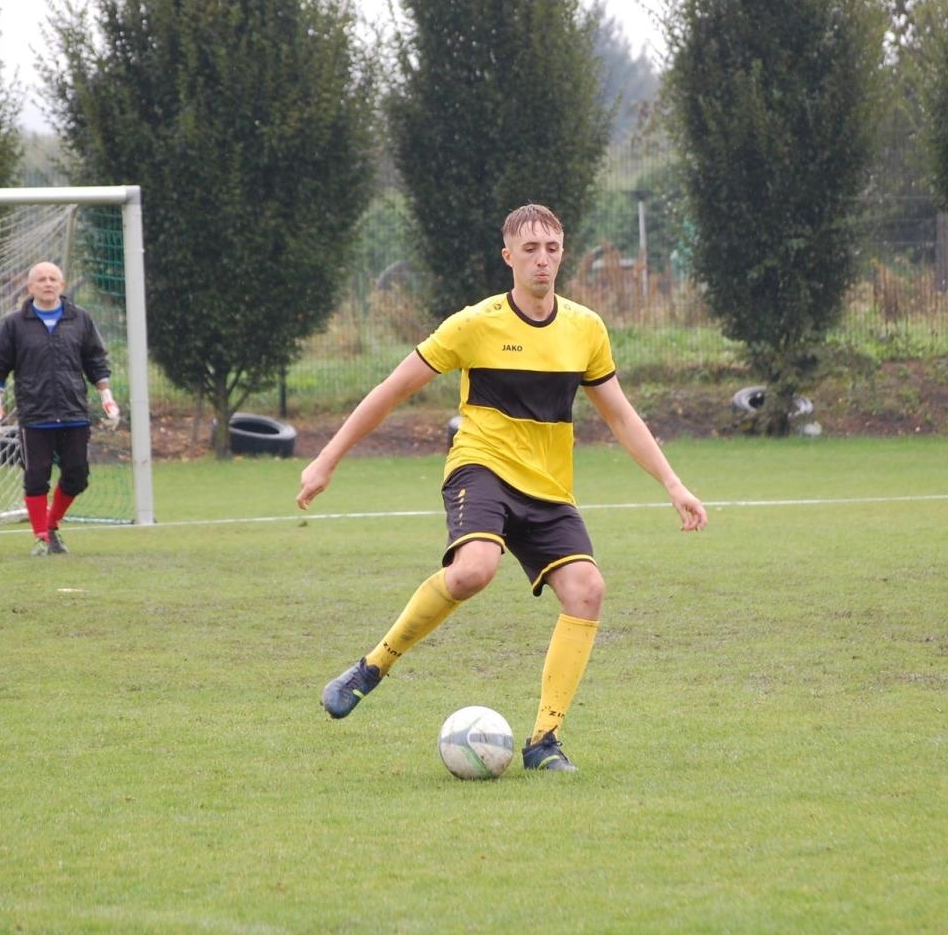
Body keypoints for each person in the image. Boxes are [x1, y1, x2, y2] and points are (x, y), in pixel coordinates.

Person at [297, 203, 708, 772]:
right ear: (508, 256)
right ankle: (372, 667)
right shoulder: (475, 323)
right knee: (473, 571)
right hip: (481, 466)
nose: (543, 260)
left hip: (547, 488)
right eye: (531, 249)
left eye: (553, 249)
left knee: (587, 589)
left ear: (562, 254)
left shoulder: (585, 329)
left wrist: (673, 483)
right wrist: (326, 459)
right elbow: (392, 389)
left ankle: (544, 742)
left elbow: (620, 416)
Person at [0, 261, 120, 556]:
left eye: (53, 279)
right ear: (30, 287)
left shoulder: (80, 319)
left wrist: (107, 398)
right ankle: (42, 538)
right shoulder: (14, 324)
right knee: (36, 477)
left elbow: (96, 362)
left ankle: (50, 524)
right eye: (41, 279)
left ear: (62, 284)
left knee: (77, 476)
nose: (48, 284)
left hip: (74, 413)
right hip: (35, 415)